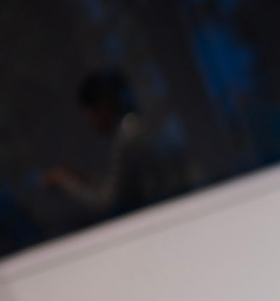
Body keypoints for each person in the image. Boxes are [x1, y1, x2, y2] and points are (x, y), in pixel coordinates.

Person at [45, 69, 191, 218]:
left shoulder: (129, 135)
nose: (90, 120)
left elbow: (107, 202)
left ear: (104, 106)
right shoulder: (134, 129)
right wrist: (83, 179)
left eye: (91, 113)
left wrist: (65, 181)